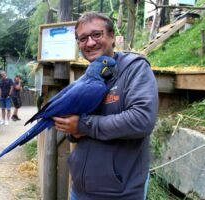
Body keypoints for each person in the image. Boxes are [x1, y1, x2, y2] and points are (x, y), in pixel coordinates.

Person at [52, 12, 159, 200]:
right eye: (83, 38)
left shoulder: (135, 68)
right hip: (79, 189)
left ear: (111, 36)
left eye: (96, 35)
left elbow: (142, 120)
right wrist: (72, 130)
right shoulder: (88, 76)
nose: (90, 43)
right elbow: (76, 126)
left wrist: (83, 125)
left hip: (119, 193)